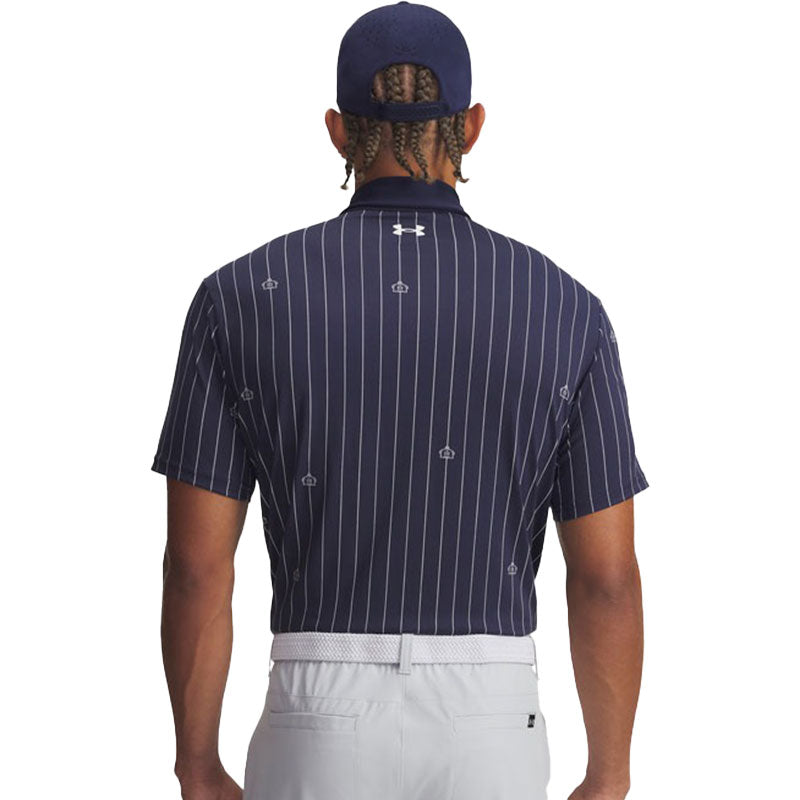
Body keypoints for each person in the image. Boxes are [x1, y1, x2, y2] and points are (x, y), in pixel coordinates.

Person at [151, 3, 650, 799]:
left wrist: (197, 762)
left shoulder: (240, 297)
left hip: (315, 714)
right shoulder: (564, 309)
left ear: (337, 131)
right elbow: (606, 579)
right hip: (493, 720)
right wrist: (611, 773)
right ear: (472, 126)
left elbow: (196, 567)